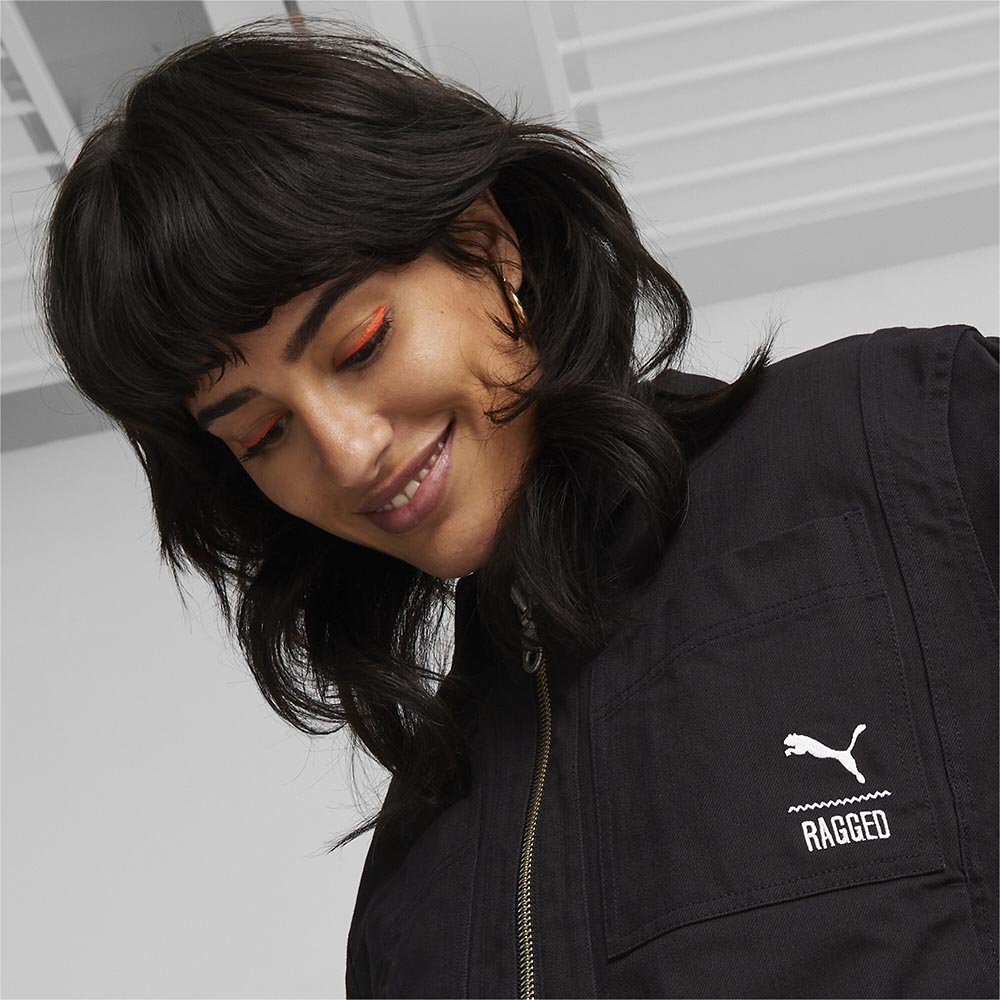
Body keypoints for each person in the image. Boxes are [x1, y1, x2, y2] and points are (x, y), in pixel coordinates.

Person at [39, 16, 997, 1000]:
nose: (348, 452)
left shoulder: (904, 435)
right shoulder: (409, 885)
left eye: (361, 343)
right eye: (261, 432)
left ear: (488, 248)